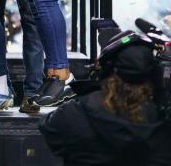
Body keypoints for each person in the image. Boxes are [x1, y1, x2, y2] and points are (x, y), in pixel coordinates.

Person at [39, 31, 171, 165]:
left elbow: (49, 130)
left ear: (105, 71)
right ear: (154, 76)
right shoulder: (162, 120)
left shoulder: (74, 113)